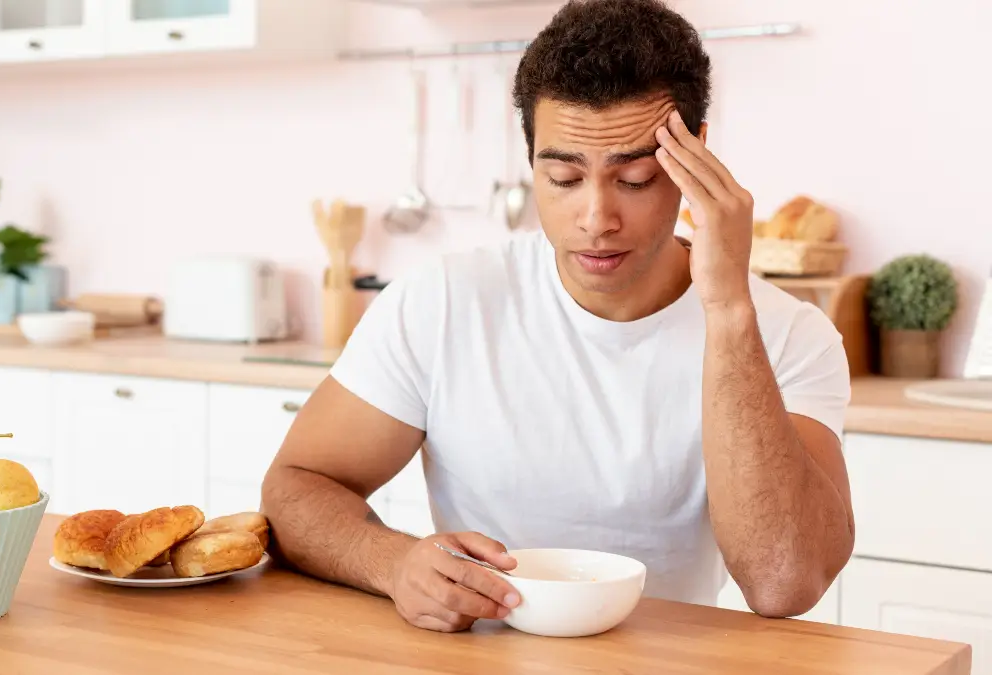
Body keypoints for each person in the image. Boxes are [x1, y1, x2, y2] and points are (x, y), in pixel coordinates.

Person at [261, 0, 854, 633]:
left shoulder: (789, 333)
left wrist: (728, 307)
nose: (597, 218)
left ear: (697, 159)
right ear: (530, 159)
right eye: (565, 178)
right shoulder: (441, 302)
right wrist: (392, 561)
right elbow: (295, 487)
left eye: (635, 177)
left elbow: (785, 582)